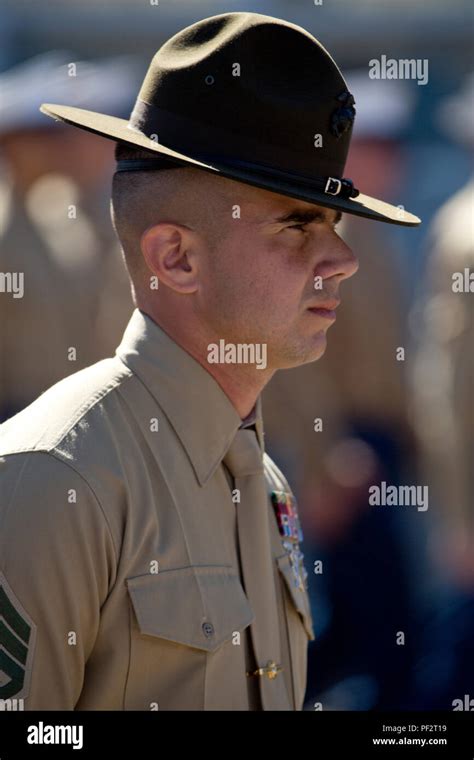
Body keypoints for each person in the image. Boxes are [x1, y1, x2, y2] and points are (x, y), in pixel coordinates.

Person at [0, 11, 420, 711]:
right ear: (177, 258)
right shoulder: (51, 481)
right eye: (296, 224)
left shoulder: (263, 479)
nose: (342, 260)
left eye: (336, 223)